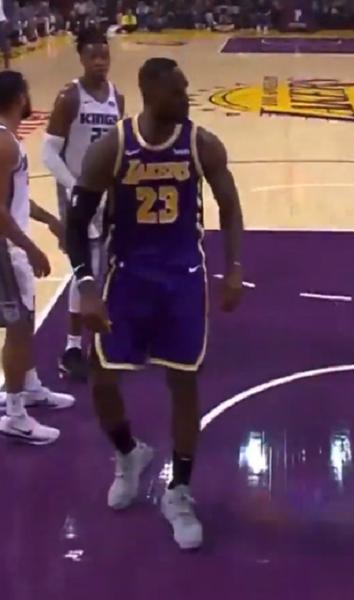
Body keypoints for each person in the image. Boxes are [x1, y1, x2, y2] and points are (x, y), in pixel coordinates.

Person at [66, 57, 244, 549]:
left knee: (183, 383)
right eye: (176, 91)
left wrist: (234, 267)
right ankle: (129, 453)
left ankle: (179, 491)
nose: (186, 98)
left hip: (183, 279)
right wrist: (86, 285)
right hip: (128, 278)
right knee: (102, 379)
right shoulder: (114, 146)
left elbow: (230, 206)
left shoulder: (202, 143)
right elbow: (76, 223)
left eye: (185, 89)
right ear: (150, 92)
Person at [42, 26, 124, 382]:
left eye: (104, 55)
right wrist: (76, 187)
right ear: (81, 58)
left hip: (105, 191)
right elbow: (48, 153)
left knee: (102, 265)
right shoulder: (70, 97)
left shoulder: (117, 98)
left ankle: (94, 340)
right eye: (93, 56)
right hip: (76, 189)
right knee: (84, 266)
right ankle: (73, 348)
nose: (100, 62)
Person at [0, 71, 75, 444]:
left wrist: (49, 221)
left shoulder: (8, 140)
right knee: (18, 329)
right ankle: (15, 414)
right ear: (19, 98)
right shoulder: (4, 144)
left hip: (12, 244)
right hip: (6, 248)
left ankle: (28, 387)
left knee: (25, 324)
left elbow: (14, 197)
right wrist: (29, 247)